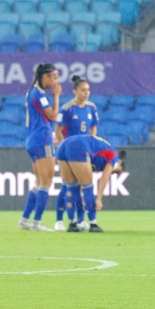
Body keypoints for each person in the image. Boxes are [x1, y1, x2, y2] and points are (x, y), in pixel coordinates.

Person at [53, 74, 99, 232]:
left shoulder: (91, 107)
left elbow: (93, 127)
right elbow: (58, 130)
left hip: (83, 149)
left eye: (88, 90)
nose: (86, 93)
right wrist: (63, 145)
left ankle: (78, 221)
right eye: (83, 90)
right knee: (69, 186)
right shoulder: (67, 108)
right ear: (75, 91)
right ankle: (60, 219)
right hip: (70, 150)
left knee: (76, 187)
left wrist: (91, 144)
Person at [18, 63, 61, 232]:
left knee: (38, 182)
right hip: (42, 140)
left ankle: (24, 219)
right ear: (46, 77)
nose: (55, 83)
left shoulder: (32, 92)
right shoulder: (40, 94)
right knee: (47, 181)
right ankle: (37, 222)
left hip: (33, 140)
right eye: (54, 78)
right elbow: (53, 116)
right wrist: (57, 96)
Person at [54, 135, 125, 233]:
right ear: (120, 162)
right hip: (78, 146)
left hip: (63, 145)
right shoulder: (115, 158)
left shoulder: (103, 151)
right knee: (87, 186)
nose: (113, 173)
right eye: (116, 172)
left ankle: (72, 224)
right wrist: (99, 199)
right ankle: (93, 224)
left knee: (71, 186)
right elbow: (105, 177)